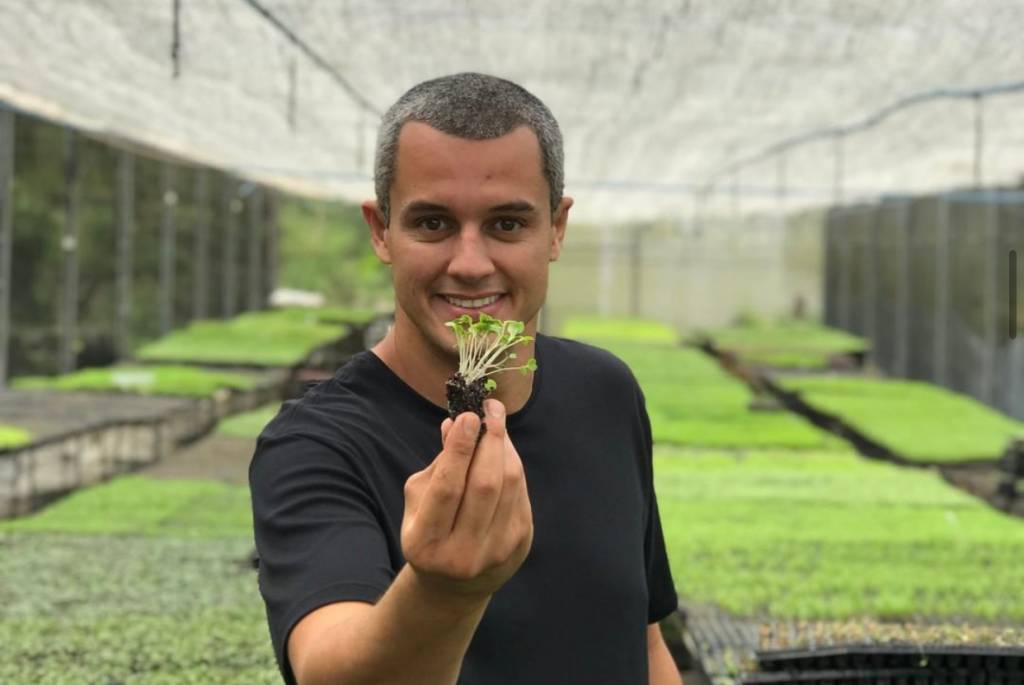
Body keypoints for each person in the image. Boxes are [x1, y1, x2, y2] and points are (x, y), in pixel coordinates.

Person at [249, 72, 681, 685]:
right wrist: (443, 591)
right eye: (432, 224)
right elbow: (328, 667)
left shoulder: (605, 391)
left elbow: (644, 644)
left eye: (507, 224)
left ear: (556, 228)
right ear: (381, 230)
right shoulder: (316, 445)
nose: (471, 264)